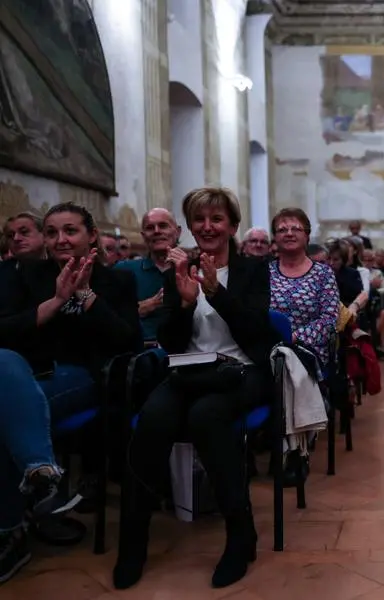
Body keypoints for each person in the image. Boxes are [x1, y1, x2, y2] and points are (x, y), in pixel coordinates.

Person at [114, 187, 278, 590]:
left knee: (207, 417)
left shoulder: (253, 269)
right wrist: (185, 305)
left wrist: (216, 293)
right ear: (190, 225)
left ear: (232, 226)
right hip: (189, 371)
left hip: (242, 371)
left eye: (217, 219)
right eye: (199, 219)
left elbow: (257, 330)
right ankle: (133, 543)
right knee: (152, 419)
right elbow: (170, 341)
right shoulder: (179, 269)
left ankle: (240, 538)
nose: (207, 227)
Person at [0, 202, 141, 583]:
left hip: (82, 378)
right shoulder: (27, 276)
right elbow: (6, 331)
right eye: (51, 232)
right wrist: (58, 300)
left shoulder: (118, 281)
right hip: (19, 375)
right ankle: (39, 475)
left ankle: (9, 529)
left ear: (91, 235)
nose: (60, 239)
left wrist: (87, 296)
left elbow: (127, 341)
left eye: (70, 230)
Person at [269, 209, 340, 366]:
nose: (289, 233)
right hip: (268, 349)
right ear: (275, 238)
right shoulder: (264, 272)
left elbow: (329, 320)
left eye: (296, 229)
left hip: (308, 352)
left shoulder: (323, 273)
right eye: (282, 230)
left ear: (307, 236)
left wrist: (293, 337)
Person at [116, 208, 181, 342]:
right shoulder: (123, 271)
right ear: (144, 235)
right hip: (139, 353)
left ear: (178, 231)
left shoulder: (193, 270)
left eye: (163, 226)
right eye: (150, 228)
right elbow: (107, 317)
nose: (157, 231)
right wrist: (140, 308)